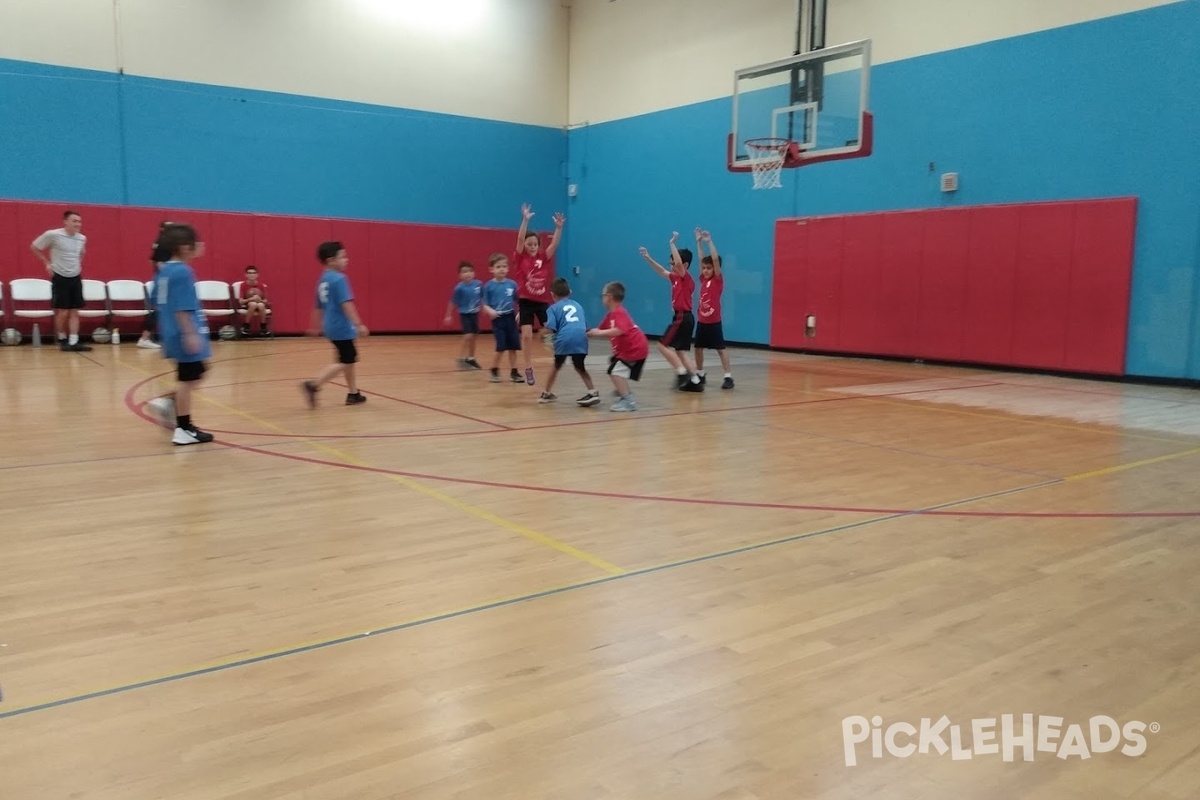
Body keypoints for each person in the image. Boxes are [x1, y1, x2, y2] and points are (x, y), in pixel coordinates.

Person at [143, 223, 215, 445]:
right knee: (187, 380)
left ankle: (167, 403)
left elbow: (155, 301)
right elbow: (182, 308)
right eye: (196, 243)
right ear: (185, 248)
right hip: (183, 332)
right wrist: (189, 334)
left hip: (170, 332)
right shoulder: (183, 271)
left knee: (200, 370)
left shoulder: (163, 271)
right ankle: (184, 428)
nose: (201, 246)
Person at [301, 241, 369, 407]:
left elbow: (317, 306)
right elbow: (346, 304)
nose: (347, 260)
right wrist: (358, 324)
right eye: (343, 257)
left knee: (347, 360)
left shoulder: (323, 280)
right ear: (331, 260)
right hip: (341, 326)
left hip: (330, 326)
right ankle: (314, 385)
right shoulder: (339, 279)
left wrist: (315, 326)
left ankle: (353, 394)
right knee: (345, 361)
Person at [639, 233, 703, 392]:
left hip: (682, 316)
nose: (671, 265)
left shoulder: (685, 278)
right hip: (684, 317)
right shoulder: (675, 278)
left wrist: (672, 243)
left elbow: (679, 265)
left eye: (673, 262)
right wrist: (648, 258)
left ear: (685, 265)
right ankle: (695, 381)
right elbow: (661, 270)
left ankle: (682, 373)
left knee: (662, 345)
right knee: (680, 351)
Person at [512, 203, 564, 385]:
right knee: (526, 334)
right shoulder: (521, 258)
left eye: (535, 244)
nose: (532, 246)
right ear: (525, 245)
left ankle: (556, 350)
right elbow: (519, 239)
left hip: (542, 302)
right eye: (529, 244)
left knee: (551, 330)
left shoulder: (543, 258)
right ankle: (527, 367)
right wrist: (525, 220)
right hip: (526, 301)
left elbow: (555, 244)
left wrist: (558, 228)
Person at [30, 209, 92, 351]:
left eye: (79, 221)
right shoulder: (53, 235)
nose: (78, 224)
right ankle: (62, 338)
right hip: (60, 277)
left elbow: (81, 252)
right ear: (65, 222)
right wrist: (46, 263)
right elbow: (34, 247)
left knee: (74, 311)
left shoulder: (82, 238)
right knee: (62, 311)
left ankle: (74, 341)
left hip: (75, 277)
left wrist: (78, 263)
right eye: (74, 221)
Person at [587, 281, 650, 412]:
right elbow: (598, 329)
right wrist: (586, 332)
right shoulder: (611, 315)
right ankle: (624, 393)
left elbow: (620, 330)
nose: (602, 298)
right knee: (613, 365)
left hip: (635, 348)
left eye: (603, 295)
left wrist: (599, 333)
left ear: (609, 297)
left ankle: (628, 400)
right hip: (631, 348)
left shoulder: (619, 312)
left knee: (615, 371)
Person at [539, 277, 600, 406]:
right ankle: (592, 391)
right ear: (570, 293)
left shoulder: (553, 309)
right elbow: (585, 326)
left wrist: (542, 334)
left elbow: (551, 328)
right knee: (580, 367)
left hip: (564, 339)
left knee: (556, 366)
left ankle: (546, 393)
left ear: (552, 295)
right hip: (581, 338)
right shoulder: (578, 305)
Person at [693, 228, 734, 389]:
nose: (705, 270)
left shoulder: (718, 280)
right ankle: (701, 373)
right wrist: (698, 242)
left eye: (709, 268)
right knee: (698, 348)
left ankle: (728, 377)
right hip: (702, 321)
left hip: (714, 322)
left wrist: (709, 241)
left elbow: (714, 260)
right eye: (704, 268)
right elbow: (701, 258)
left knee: (720, 349)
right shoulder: (703, 279)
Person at [481, 253, 524, 383]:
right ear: (491, 269)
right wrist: (491, 311)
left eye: (504, 266)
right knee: (501, 346)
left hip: (510, 317)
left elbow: (520, 301)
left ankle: (514, 371)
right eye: (498, 266)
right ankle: (494, 369)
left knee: (513, 346)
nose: (502, 269)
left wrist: (520, 312)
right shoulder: (488, 286)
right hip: (498, 319)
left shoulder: (512, 284)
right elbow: (484, 305)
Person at [443, 260, 483, 369]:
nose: (468, 273)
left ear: (474, 273)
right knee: (468, 335)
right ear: (460, 275)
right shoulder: (459, 288)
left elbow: (482, 297)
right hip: (465, 314)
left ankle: (471, 358)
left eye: (470, 271)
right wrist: (448, 315)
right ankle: (460, 358)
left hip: (475, 314)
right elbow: (453, 301)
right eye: (464, 272)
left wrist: (484, 307)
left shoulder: (478, 284)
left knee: (474, 336)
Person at [236, 265, 271, 337]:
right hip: (248, 305)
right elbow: (241, 301)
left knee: (261, 305)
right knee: (253, 304)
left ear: (257, 275)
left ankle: (263, 326)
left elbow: (266, 301)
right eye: (249, 273)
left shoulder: (261, 285)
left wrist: (260, 299)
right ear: (246, 275)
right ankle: (246, 325)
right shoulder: (243, 285)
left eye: (254, 273)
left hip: (260, 304)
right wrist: (250, 299)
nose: (252, 275)